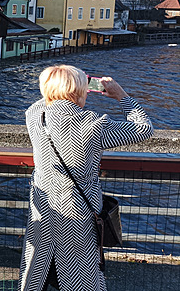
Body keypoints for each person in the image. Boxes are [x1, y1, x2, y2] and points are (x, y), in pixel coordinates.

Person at [18, 65, 153, 291]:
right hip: (77, 213)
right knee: (80, 275)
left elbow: (46, 100)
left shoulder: (35, 116)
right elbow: (143, 129)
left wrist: (58, 86)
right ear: (80, 91)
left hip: (43, 208)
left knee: (37, 269)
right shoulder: (94, 124)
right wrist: (121, 95)